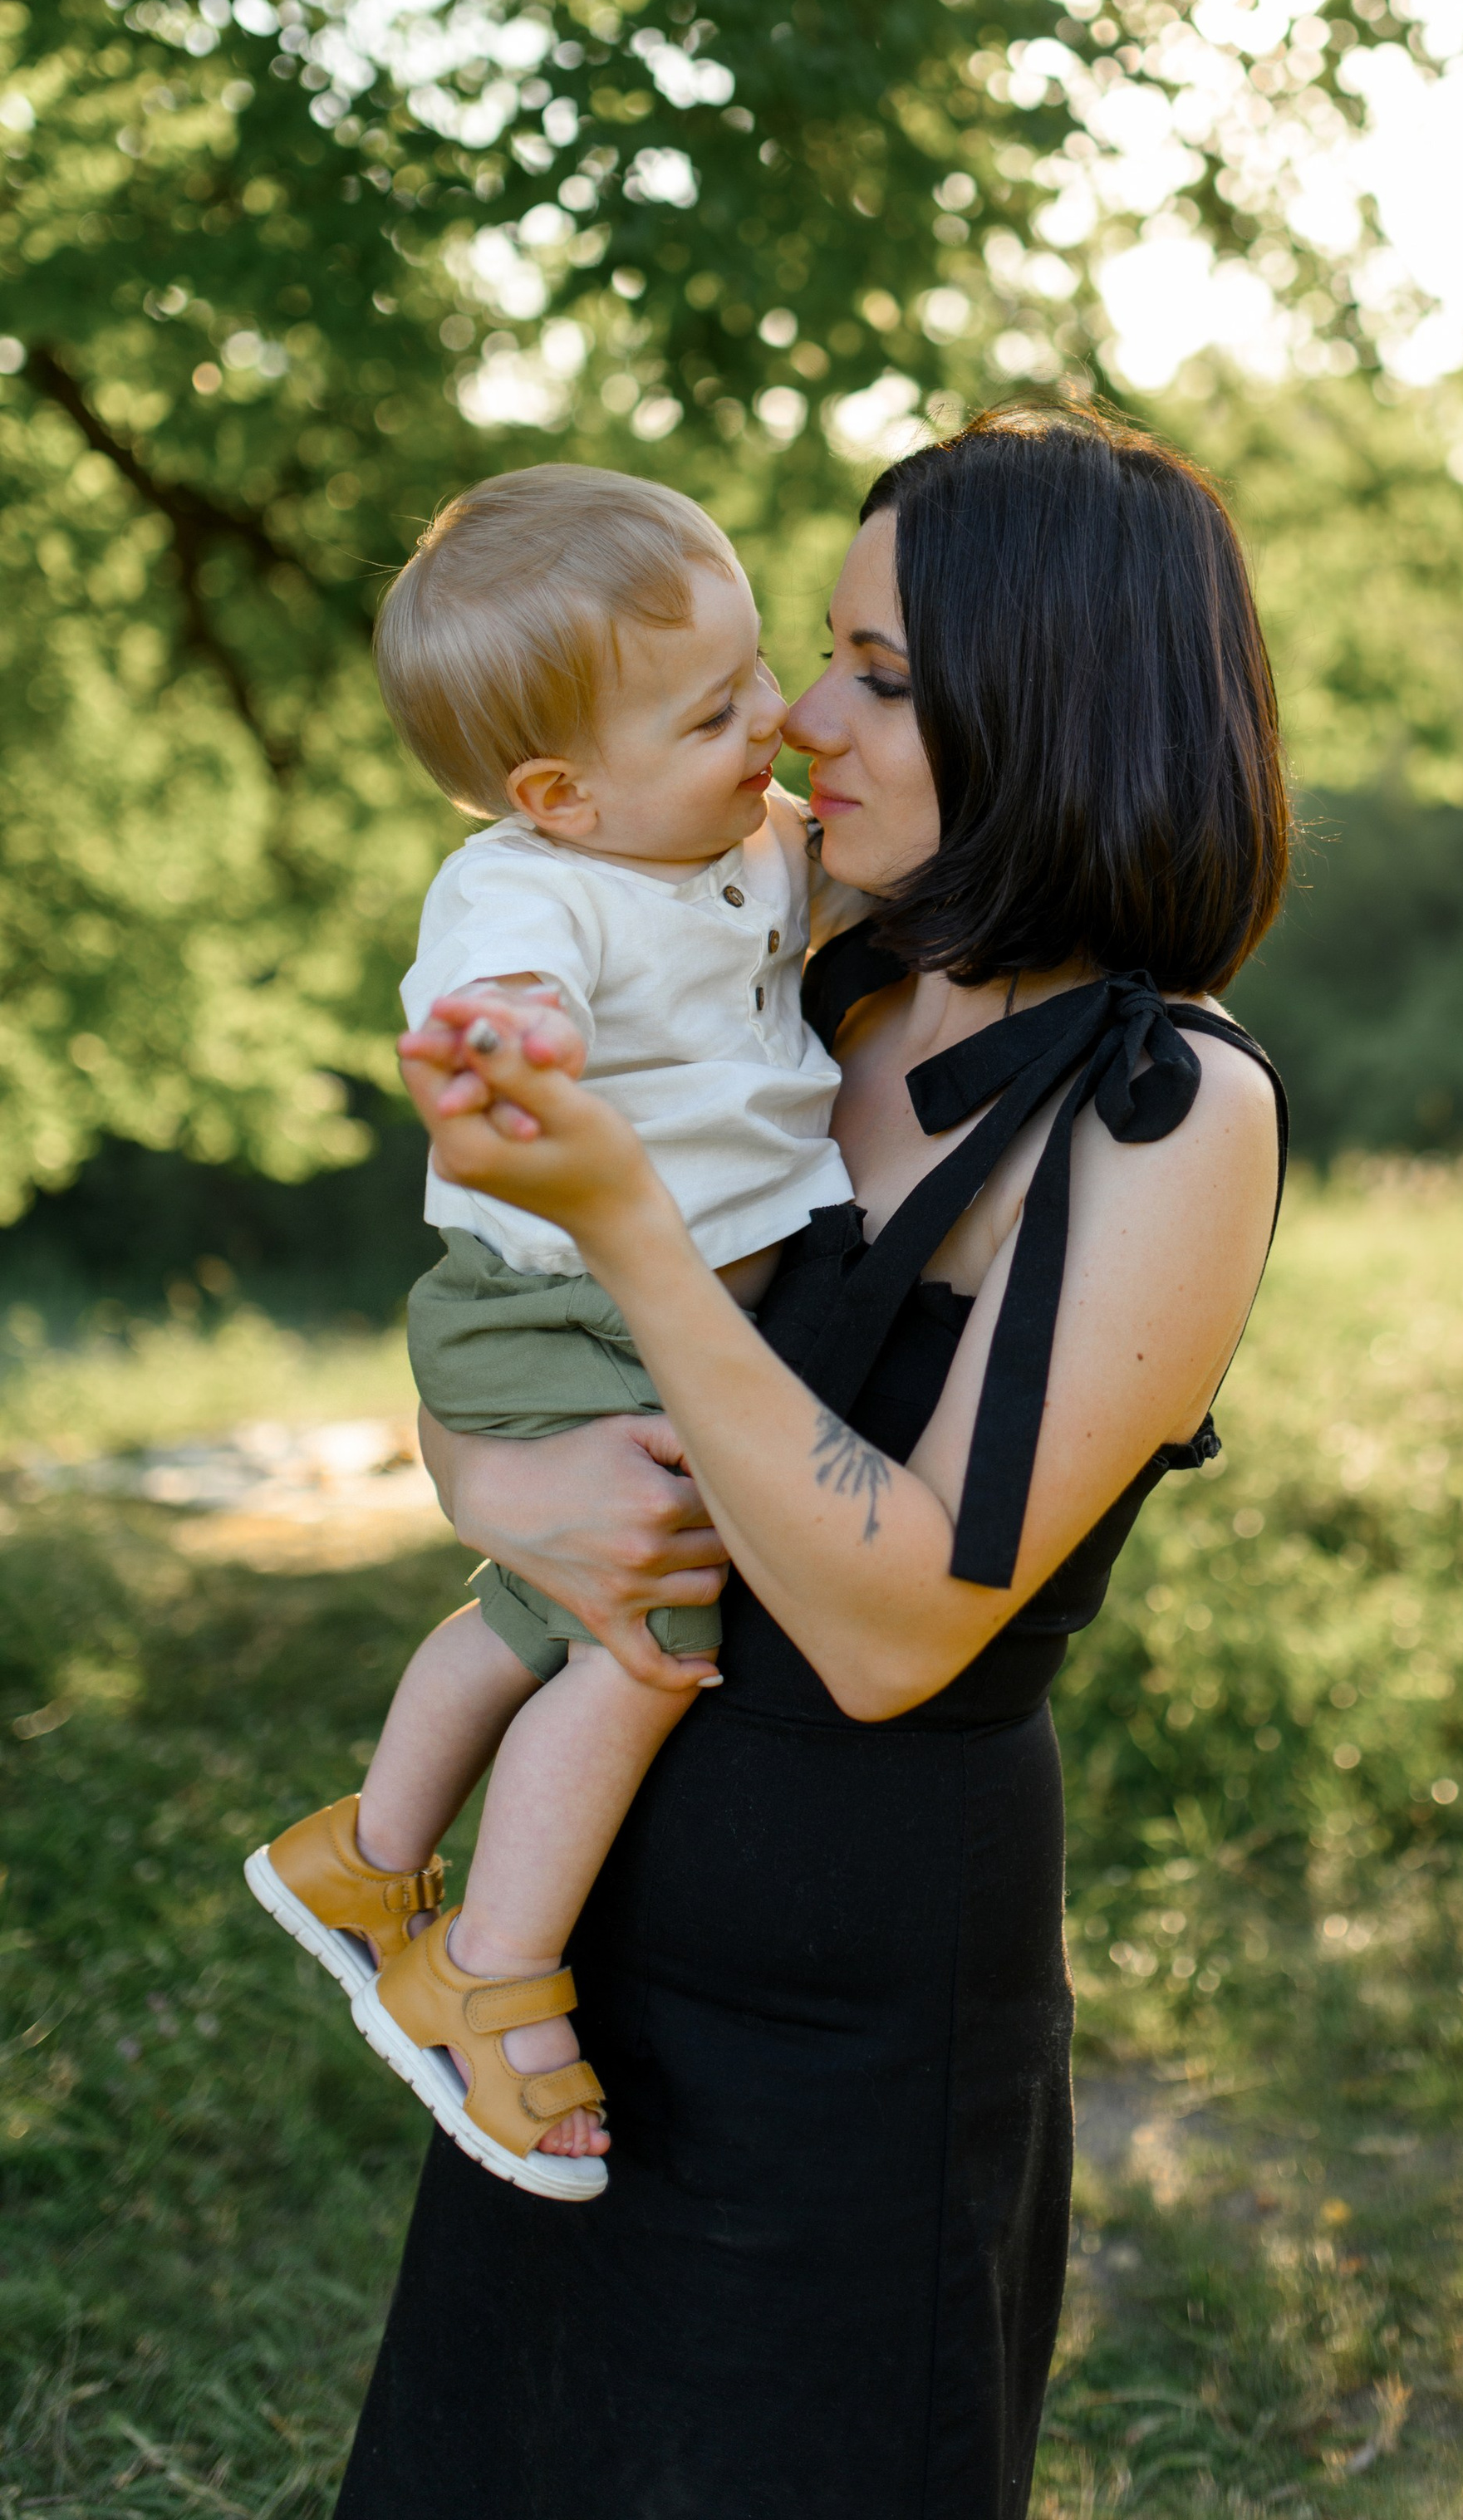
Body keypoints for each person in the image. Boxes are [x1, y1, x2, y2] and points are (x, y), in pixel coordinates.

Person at [336, 402, 1291, 2520]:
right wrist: (497, 1487)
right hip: (576, 1954)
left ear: (1044, 709)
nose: (796, 713)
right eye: (817, 656)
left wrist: (628, 1227)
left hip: (852, 2009)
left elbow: (888, 1627)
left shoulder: (1162, 1106)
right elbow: (507, 1374)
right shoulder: (809, 980)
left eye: (875, 673)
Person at [246, 466, 847, 2200]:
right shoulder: (532, 893)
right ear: (558, 794)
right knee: (648, 1628)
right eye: (716, 707)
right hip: (558, 1302)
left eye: (765, 671)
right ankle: (484, 1970)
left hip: (640, 1310)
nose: (776, 720)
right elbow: (497, 988)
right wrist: (510, 1041)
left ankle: (362, 1856)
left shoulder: (743, 836)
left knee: (535, 1600)